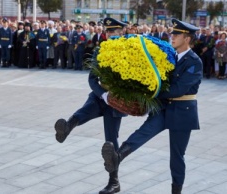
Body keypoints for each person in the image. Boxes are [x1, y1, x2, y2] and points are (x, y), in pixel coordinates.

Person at [101, 18, 203, 194]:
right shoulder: (169, 55)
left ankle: (176, 191)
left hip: (183, 111)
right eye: (173, 33)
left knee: (177, 156)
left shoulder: (195, 62)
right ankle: (117, 157)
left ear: (187, 38)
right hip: (164, 108)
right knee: (142, 133)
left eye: (177, 34)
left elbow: (179, 89)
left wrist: (149, 93)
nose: (172, 36)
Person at [54, 18, 127, 194]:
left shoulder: (130, 51)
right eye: (108, 31)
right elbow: (92, 79)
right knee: (85, 110)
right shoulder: (100, 50)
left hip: (116, 102)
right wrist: (103, 94)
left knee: (111, 143)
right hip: (100, 96)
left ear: (122, 32)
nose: (110, 34)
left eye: (114, 31)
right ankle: (67, 127)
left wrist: (118, 96)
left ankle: (114, 182)